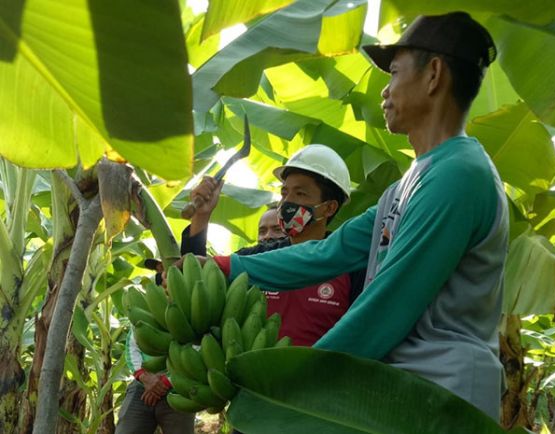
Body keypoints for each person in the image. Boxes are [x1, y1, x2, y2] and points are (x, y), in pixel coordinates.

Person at [173, 12, 510, 420]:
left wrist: (295, 384)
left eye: (395, 73)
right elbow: (327, 253)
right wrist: (225, 266)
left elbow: (387, 306)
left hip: (444, 396)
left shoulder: (458, 176)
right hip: (403, 391)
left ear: (434, 75)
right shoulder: (411, 183)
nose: (385, 91)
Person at [182, 145, 365, 346]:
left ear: (329, 207)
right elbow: (197, 284)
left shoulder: (350, 263)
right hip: (254, 373)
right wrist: (202, 215)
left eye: (300, 194)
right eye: (284, 192)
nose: (287, 202)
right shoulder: (257, 257)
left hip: (322, 374)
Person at [115, 330, 194, 434]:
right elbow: (133, 344)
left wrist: (166, 381)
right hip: (143, 384)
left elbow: (197, 348)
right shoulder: (142, 316)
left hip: (179, 388)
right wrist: (143, 376)